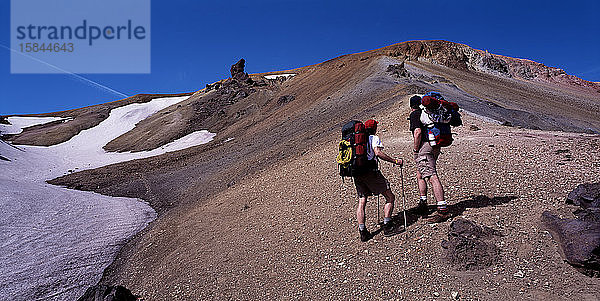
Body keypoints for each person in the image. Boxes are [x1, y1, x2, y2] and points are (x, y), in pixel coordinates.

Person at [354, 119, 404, 242]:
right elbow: (378, 153)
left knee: (362, 200)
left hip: (357, 172)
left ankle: (363, 231)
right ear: (374, 128)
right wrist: (395, 161)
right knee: (390, 197)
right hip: (371, 173)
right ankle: (387, 225)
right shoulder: (373, 138)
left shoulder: (356, 141)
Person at [409, 95, 450, 223]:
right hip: (435, 145)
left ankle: (443, 211)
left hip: (425, 148)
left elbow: (418, 133)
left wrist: (416, 150)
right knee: (420, 174)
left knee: (432, 176)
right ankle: (423, 202)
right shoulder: (427, 113)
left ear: (411, 106)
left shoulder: (415, 114)